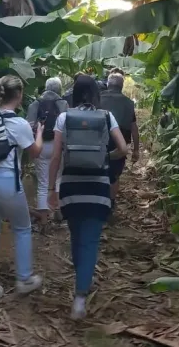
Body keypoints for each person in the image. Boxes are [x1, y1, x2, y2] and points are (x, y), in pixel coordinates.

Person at [47, 75, 128, 319]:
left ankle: (80, 276)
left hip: (71, 186)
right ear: (95, 94)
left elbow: (56, 156)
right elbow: (123, 149)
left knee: (76, 235)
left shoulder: (64, 117)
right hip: (98, 187)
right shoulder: (106, 116)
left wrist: (52, 189)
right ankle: (80, 299)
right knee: (91, 240)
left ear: (74, 93)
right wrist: (106, 158)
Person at [0, 75, 44, 306]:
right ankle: (24, 279)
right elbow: (35, 152)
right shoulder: (20, 124)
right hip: (6, 183)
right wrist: (39, 133)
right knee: (22, 227)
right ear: (19, 95)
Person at [26, 77, 68, 224]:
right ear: (59, 89)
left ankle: (44, 218)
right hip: (58, 146)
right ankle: (58, 212)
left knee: (43, 181)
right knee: (58, 178)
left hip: (40, 145)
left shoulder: (35, 104)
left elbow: (29, 126)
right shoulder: (63, 103)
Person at [100, 73, 140, 213]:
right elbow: (134, 127)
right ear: (122, 86)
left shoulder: (98, 98)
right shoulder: (128, 103)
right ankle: (110, 204)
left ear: (108, 84)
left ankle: (98, 200)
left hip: (100, 139)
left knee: (98, 169)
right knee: (114, 174)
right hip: (120, 142)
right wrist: (136, 149)